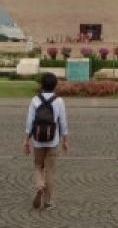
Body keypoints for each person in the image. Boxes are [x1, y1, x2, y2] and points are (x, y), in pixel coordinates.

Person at [23, 72, 69, 210]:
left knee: (38, 166)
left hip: (37, 140)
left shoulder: (35, 100)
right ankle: (48, 201)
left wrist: (26, 140)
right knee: (50, 171)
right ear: (55, 86)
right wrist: (65, 140)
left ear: (41, 85)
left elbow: (30, 122)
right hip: (53, 140)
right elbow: (63, 123)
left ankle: (39, 186)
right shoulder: (59, 101)